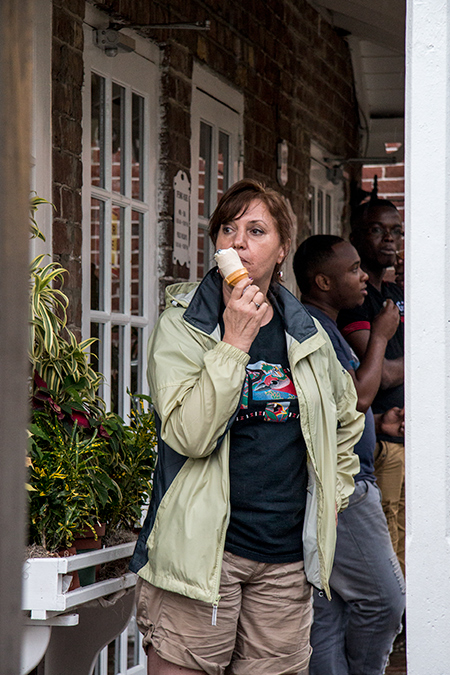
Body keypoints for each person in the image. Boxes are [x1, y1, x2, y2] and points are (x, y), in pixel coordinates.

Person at [130, 179, 364, 675]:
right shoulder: (185, 325)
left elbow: (346, 421)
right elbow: (189, 434)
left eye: (256, 231)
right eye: (227, 229)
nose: (238, 242)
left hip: (284, 563)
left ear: (282, 250)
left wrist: (333, 499)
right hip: (203, 556)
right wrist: (234, 343)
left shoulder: (309, 332)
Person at [293, 235, 405, 675]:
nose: (364, 277)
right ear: (322, 281)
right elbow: (358, 396)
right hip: (344, 487)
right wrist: (379, 336)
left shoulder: (323, 325)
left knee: (329, 611)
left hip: (333, 486)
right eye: (354, 269)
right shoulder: (314, 329)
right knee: (385, 599)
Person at [337, 197, 405, 575]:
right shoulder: (355, 300)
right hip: (380, 443)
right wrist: (422, 361)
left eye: (396, 231)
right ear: (357, 236)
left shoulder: (395, 295)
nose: (389, 239)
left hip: (407, 440)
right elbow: (379, 374)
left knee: (408, 542)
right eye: (378, 230)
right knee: (388, 549)